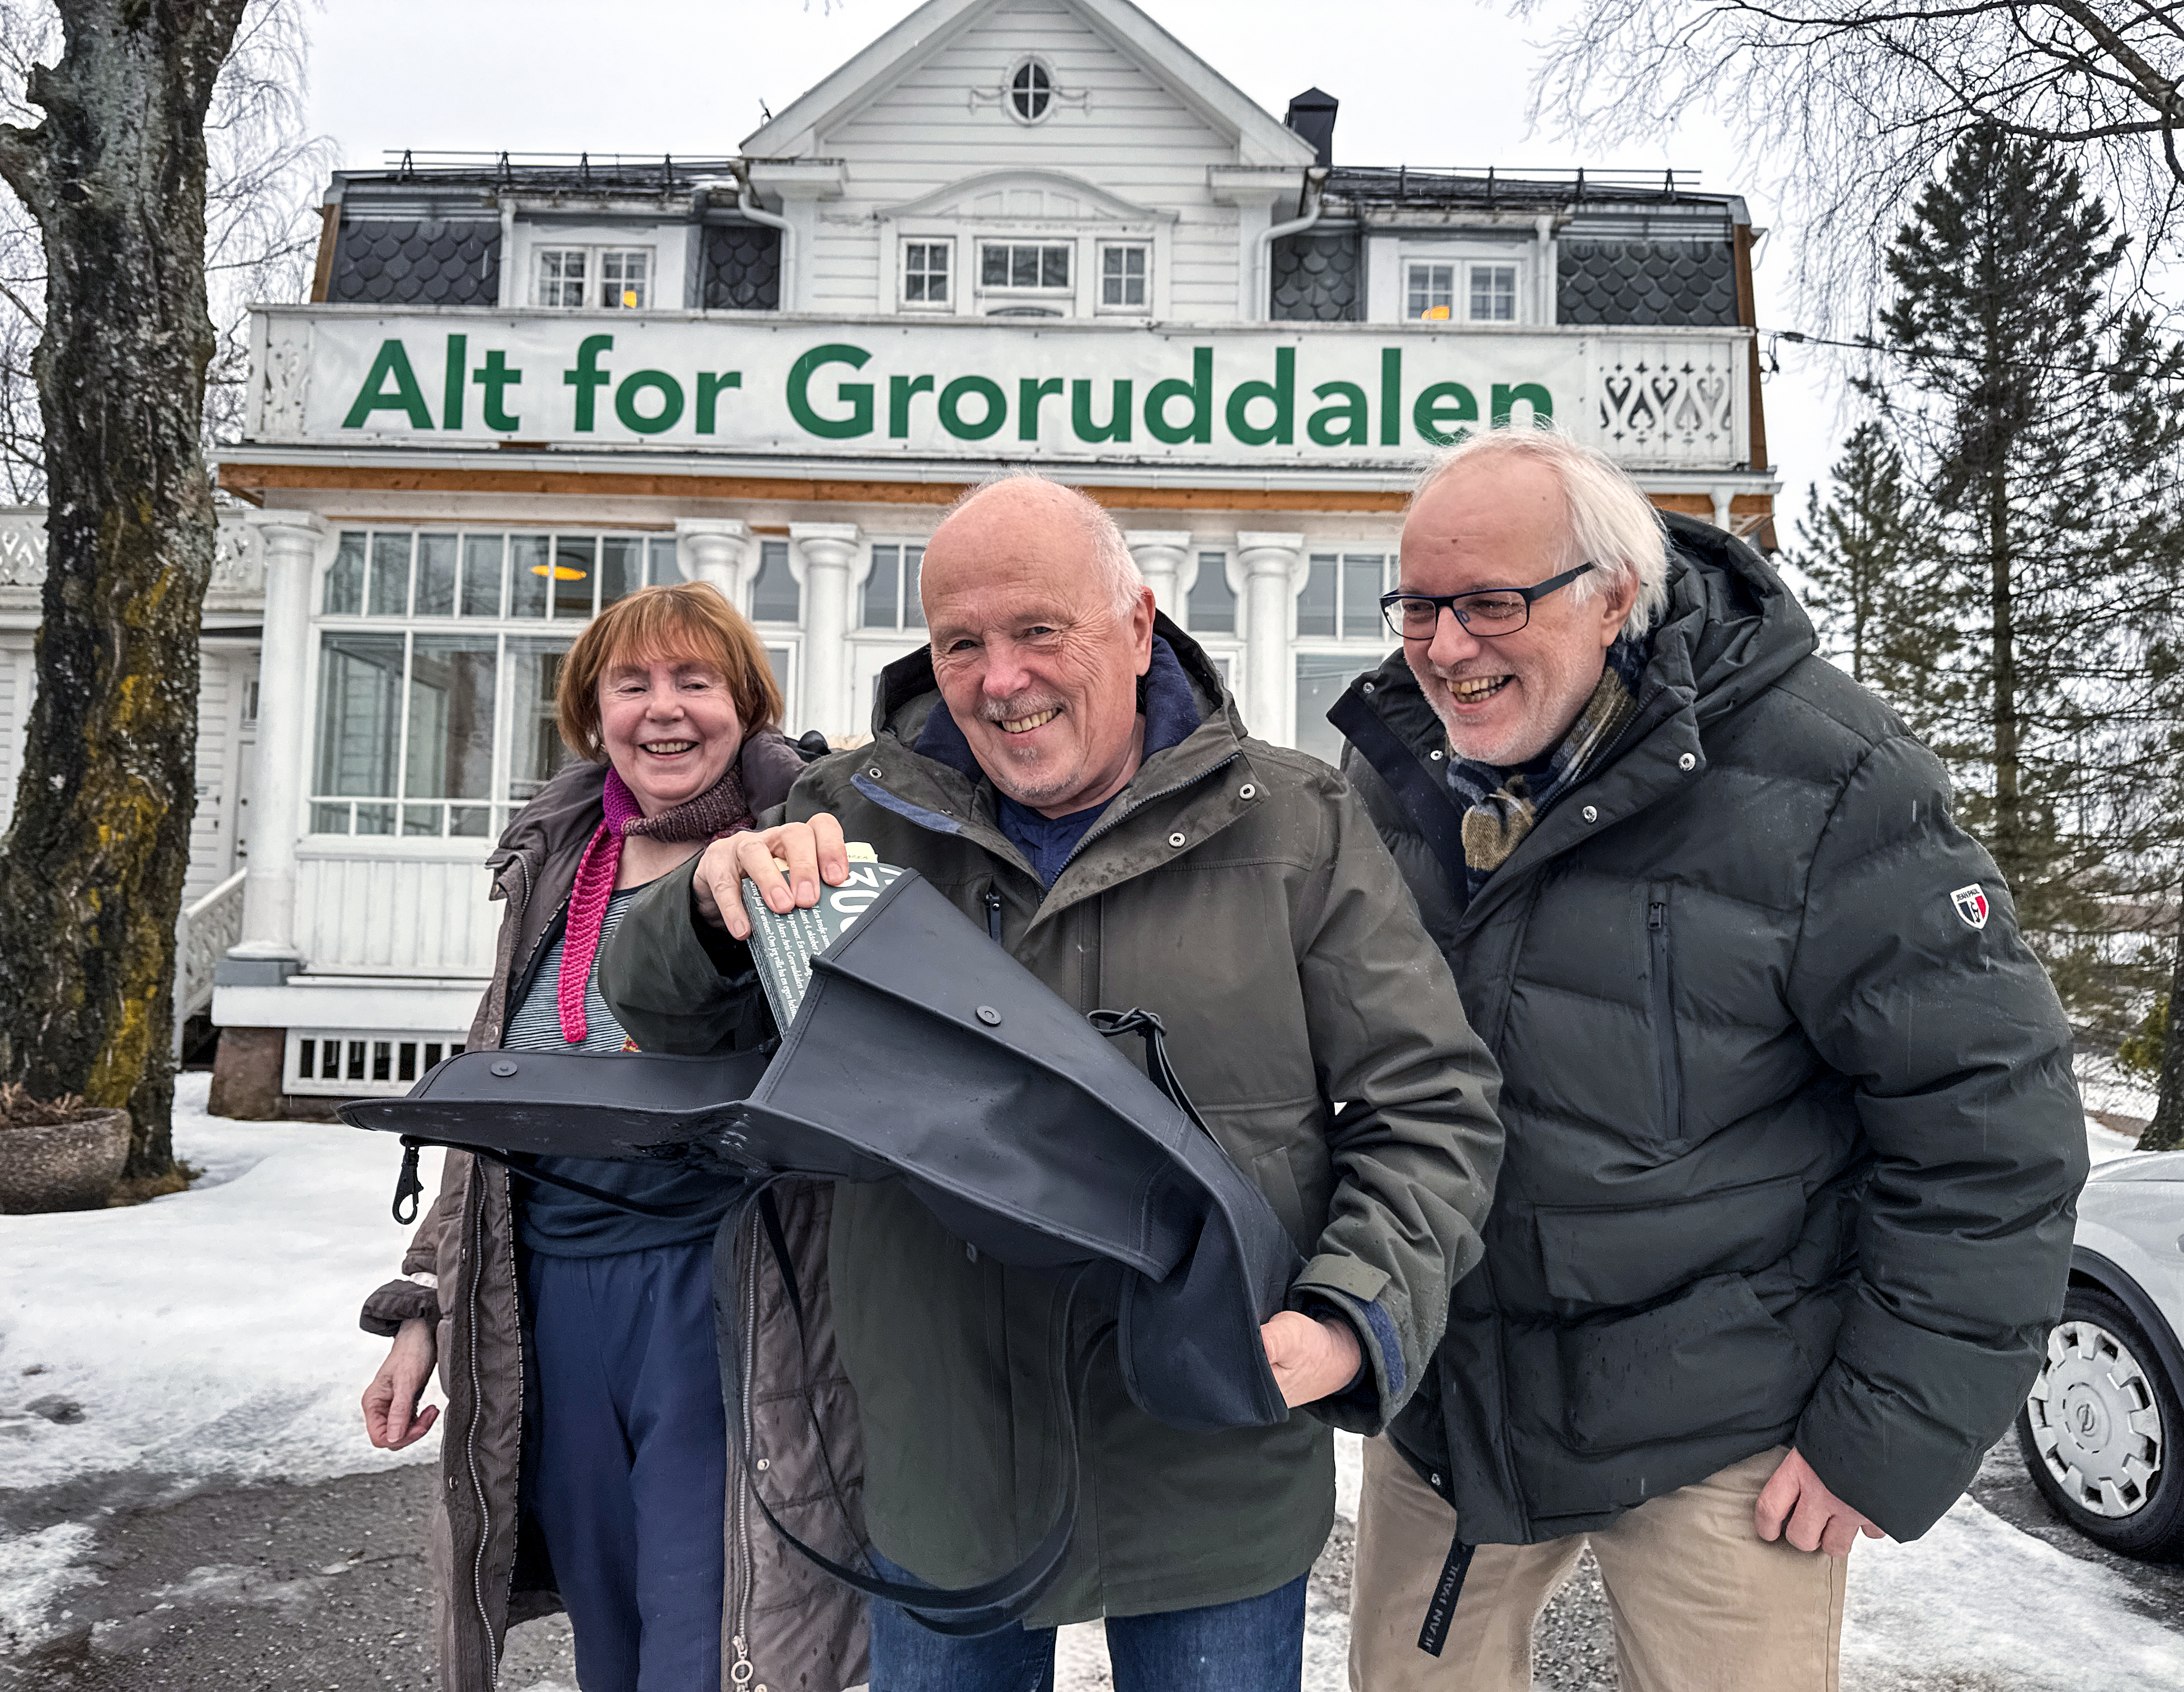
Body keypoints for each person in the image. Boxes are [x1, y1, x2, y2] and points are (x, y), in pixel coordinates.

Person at [598, 475, 1507, 1692]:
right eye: (962, 643)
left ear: (1136, 627)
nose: (1000, 678)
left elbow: (1429, 1104)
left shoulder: (1294, 823)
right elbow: (661, 1012)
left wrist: (1355, 1314)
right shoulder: (848, 815)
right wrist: (707, 910)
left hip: (1213, 1459)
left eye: (1039, 631)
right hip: (943, 1467)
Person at [1330, 427, 2088, 1692]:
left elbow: (1990, 1127)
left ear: (1614, 595)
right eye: (1418, 605)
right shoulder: (1391, 763)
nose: (1445, 647)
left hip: (1727, 1414)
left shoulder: (1828, 775)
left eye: (1490, 604)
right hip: (1456, 1394)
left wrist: (1884, 1433)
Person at [355, 580, 866, 1692]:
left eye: (697, 681)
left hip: (724, 1291)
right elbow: (496, 1106)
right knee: (612, 1633)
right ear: (593, 712)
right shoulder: (553, 862)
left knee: (713, 1628)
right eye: (632, 685)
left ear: (748, 704)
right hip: (548, 1300)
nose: (664, 710)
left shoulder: (801, 850)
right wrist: (424, 1309)